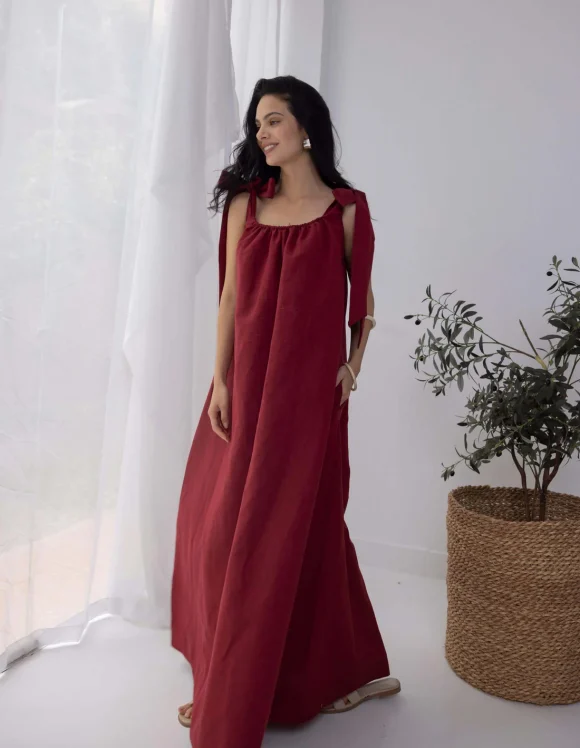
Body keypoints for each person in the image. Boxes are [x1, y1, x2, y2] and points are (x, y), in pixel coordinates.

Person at [170, 75, 400, 748]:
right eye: (257, 124)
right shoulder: (246, 204)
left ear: (306, 126)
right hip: (244, 391)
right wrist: (220, 381)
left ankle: (323, 677)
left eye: (273, 120)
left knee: (299, 536)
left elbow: (364, 305)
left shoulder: (347, 212)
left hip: (306, 402)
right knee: (221, 533)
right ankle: (227, 678)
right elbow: (229, 299)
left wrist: (352, 368)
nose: (262, 133)